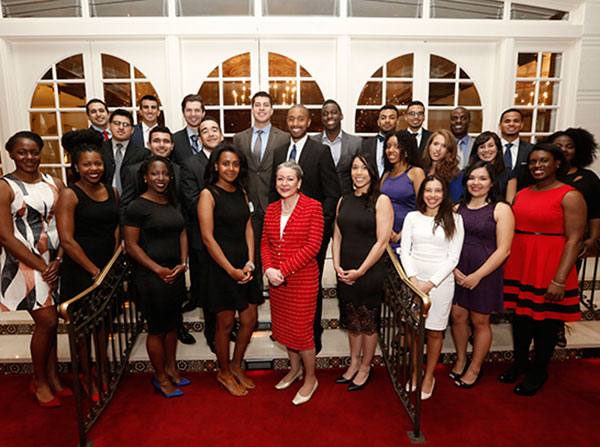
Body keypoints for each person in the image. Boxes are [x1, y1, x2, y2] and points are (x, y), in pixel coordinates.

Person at [501, 144, 586, 396]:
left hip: (549, 264)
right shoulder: (524, 193)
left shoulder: (570, 195)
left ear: (557, 163)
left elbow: (574, 239)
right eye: (533, 162)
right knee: (521, 319)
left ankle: (539, 370)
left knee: (546, 322)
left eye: (544, 161)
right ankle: (519, 363)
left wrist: (559, 280)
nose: (537, 166)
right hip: (521, 261)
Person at [0, 131, 67, 407]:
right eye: (22, 152)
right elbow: (5, 235)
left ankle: (52, 376)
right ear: (11, 154)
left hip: (55, 260)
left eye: (34, 151)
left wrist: (59, 259)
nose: (29, 157)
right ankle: (39, 380)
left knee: (51, 323)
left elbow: (65, 225)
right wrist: (41, 266)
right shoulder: (5, 187)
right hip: (24, 263)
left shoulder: (55, 183)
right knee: (47, 321)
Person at [270, 104, 340, 354]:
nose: (296, 122)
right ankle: (287, 331)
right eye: (291, 118)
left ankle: (312, 334)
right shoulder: (279, 150)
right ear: (286, 122)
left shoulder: (320, 151)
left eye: (301, 118)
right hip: (284, 236)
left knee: (310, 289)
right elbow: (273, 190)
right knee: (284, 285)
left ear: (308, 122)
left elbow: (332, 193)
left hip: (312, 237)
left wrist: (321, 227)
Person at [56, 129, 120, 402]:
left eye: (97, 163)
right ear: (76, 167)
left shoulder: (112, 190)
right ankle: (87, 375)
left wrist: (113, 261)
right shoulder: (70, 195)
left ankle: (103, 369)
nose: (94, 169)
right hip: (81, 272)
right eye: (87, 164)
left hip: (107, 269)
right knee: (82, 331)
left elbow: (116, 227)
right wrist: (94, 271)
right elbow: (67, 240)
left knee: (103, 326)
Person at [198, 145, 263, 397]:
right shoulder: (208, 194)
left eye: (235, 164)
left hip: (242, 265)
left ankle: (236, 365)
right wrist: (231, 270)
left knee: (249, 319)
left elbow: (248, 227)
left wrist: (249, 262)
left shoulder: (242, 192)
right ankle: (223, 372)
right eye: (226, 163)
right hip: (219, 266)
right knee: (224, 324)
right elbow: (207, 237)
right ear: (215, 165)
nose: (231, 169)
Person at [123, 156, 189, 398]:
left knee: (173, 325)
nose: (160, 178)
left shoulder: (173, 202)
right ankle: (160, 377)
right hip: (151, 277)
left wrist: (183, 263)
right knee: (157, 329)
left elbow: (182, 232)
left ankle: (171, 369)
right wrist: (157, 269)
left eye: (165, 174)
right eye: (155, 174)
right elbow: (131, 246)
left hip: (175, 273)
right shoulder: (137, 206)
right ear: (144, 177)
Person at [261, 160, 324, 405]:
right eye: (280, 179)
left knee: (302, 332)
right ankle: (294, 369)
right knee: (285, 330)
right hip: (278, 283)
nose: (284, 183)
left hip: (302, 281)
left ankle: (311, 378)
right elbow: (265, 243)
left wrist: (282, 270)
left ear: (299, 182)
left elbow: (313, 246)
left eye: (290, 179)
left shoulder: (313, 207)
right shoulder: (271, 209)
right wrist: (268, 268)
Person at [450, 161, 515, 388]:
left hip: (486, 272)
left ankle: (475, 367)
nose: (476, 183)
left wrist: (477, 275)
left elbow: (504, 250)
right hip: (457, 271)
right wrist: (455, 270)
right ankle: (460, 359)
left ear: (491, 183)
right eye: (472, 178)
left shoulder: (501, 209)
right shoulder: (457, 208)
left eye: (482, 178)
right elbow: (447, 244)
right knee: (457, 317)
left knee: (479, 321)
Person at [400, 175, 464, 400]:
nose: (433, 195)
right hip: (413, 282)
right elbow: (404, 250)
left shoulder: (455, 219)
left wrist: (430, 283)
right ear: (422, 194)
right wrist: (414, 279)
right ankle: (417, 372)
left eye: (438, 191)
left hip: (440, 283)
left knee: (435, 331)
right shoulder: (412, 217)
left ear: (444, 194)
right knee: (413, 330)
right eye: (428, 190)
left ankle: (429, 376)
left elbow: (453, 257)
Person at [332, 153, 393, 391]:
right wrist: (336, 264)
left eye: (364, 168)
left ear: (372, 172)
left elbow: (382, 242)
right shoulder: (343, 200)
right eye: (355, 168)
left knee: (367, 322)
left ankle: (366, 365)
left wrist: (361, 270)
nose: (358, 172)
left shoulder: (381, 200)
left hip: (368, 270)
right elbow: (337, 235)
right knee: (352, 320)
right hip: (345, 268)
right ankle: (353, 362)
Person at [233, 91, 289, 287]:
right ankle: (255, 291)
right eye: (258, 105)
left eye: (266, 105)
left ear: (272, 110)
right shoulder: (239, 138)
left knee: (279, 250)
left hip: (276, 202)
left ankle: (280, 287)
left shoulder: (284, 137)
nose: (262, 108)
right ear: (252, 109)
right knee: (253, 250)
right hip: (249, 204)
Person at [180, 117, 225, 348]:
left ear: (221, 135)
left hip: (229, 238)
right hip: (203, 238)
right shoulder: (190, 164)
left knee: (228, 285)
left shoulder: (231, 161)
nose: (210, 133)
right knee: (209, 288)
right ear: (199, 139)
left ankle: (228, 327)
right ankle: (211, 332)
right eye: (205, 131)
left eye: (214, 129)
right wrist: (222, 214)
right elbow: (191, 201)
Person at [548, 128, 600, 257]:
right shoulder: (542, 175)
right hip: (545, 236)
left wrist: (593, 238)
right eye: (558, 146)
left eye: (569, 146)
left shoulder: (588, 178)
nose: (564, 149)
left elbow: (596, 211)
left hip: (574, 240)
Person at [380, 130, 425, 251]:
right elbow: (378, 205)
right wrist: (387, 230)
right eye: (388, 146)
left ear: (406, 151)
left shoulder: (416, 172)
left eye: (397, 147)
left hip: (409, 234)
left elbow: (423, 206)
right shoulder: (386, 175)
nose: (391, 150)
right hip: (385, 234)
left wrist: (402, 233)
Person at [311, 99, 363, 195]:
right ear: (322, 118)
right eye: (325, 114)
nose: (329, 116)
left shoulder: (356, 143)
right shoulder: (312, 142)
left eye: (334, 112)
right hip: (320, 198)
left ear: (341, 116)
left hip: (346, 198)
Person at [99, 109, 149, 196]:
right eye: (117, 123)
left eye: (126, 124)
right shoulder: (99, 149)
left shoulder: (142, 153)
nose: (121, 127)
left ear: (132, 130)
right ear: (109, 126)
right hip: (103, 201)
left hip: (132, 203)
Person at [467, 131, 517, 202]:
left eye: (491, 146)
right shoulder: (467, 173)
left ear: (498, 149)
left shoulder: (509, 174)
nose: (487, 150)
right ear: (476, 151)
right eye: (482, 147)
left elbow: (510, 204)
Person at [422, 129, 463, 202]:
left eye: (444, 146)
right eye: (435, 144)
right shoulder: (423, 170)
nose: (438, 149)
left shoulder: (454, 174)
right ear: (429, 146)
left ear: (449, 150)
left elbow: (456, 201)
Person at [498, 108, 534, 190]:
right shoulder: (492, 149)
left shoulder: (531, 149)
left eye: (516, 121)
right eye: (507, 121)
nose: (511, 124)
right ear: (500, 126)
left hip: (523, 196)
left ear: (521, 125)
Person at [360, 104, 399, 177]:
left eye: (392, 118)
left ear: (397, 122)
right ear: (378, 122)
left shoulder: (402, 144)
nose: (387, 121)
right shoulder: (366, 144)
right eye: (383, 118)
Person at [172, 94, 206, 165]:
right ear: (183, 113)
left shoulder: (211, 138)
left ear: (203, 113)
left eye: (197, 110)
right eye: (189, 110)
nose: (193, 114)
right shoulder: (174, 139)